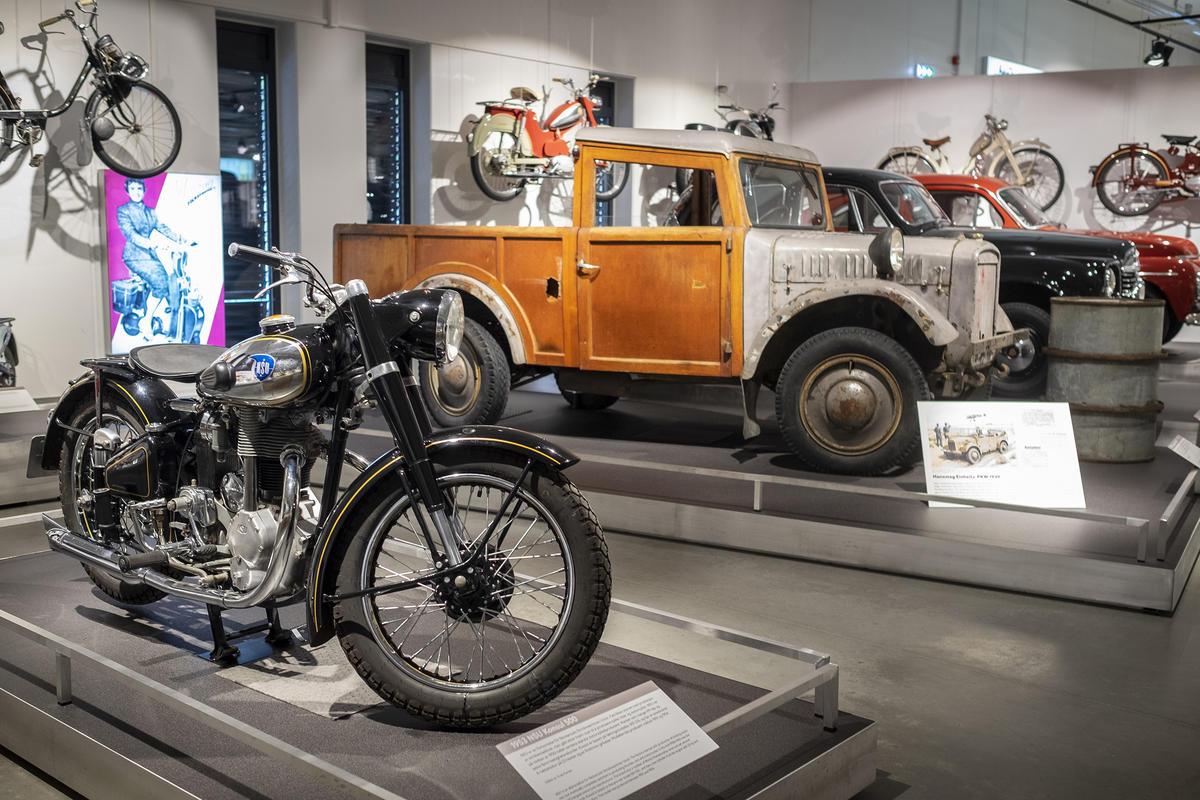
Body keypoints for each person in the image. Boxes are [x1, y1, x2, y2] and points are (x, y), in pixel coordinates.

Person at [117, 178, 188, 321]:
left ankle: (171, 321)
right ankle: (146, 321)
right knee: (161, 284)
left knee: (172, 280)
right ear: (128, 191)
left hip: (149, 255)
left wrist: (183, 240)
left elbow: (163, 228)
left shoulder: (151, 212)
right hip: (134, 256)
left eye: (139, 188)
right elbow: (131, 235)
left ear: (144, 190)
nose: (136, 192)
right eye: (133, 189)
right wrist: (153, 244)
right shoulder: (123, 211)